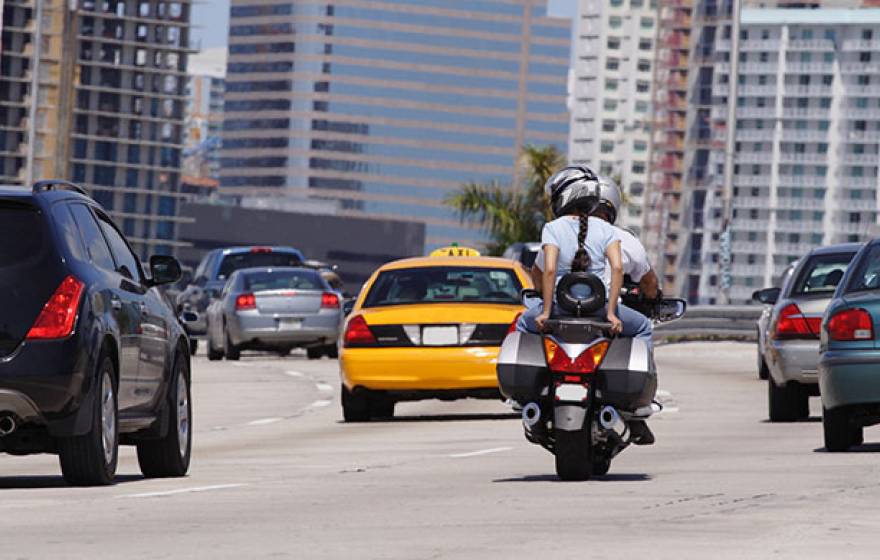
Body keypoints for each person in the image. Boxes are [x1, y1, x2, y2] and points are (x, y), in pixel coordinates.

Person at [517, 166, 652, 349]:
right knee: (643, 327)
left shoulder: (552, 228)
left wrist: (546, 312)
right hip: (599, 309)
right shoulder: (606, 229)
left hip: (560, 308)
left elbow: (549, 270)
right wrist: (611, 313)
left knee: (523, 324)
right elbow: (617, 268)